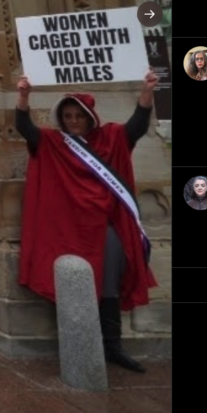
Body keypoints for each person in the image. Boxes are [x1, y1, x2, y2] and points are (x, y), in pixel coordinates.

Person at [16, 70, 159, 373]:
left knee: (108, 285)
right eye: (67, 116)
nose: (72, 121)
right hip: (68, 230)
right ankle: (79, 347)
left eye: (78, 116)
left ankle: (113, 346)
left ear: (89, 117)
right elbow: (25, 128)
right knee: (73, 286)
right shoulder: (54, 143)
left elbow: (136, 126)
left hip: (105, 228)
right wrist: (24, 97)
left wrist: (147, 92)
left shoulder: (111, 138)